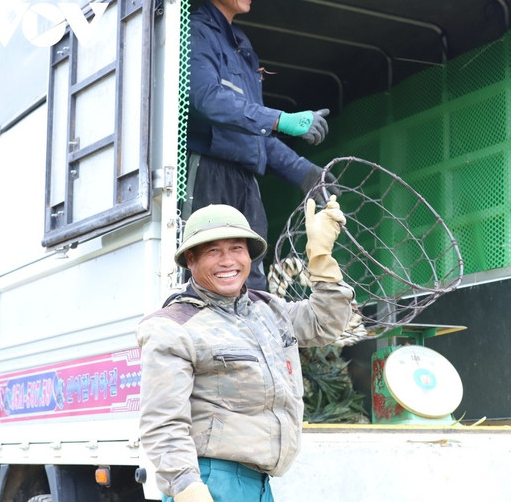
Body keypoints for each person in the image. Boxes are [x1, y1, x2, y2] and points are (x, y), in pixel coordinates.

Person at [137, 197, 354, 502]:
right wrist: (186, 486)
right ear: (190, 259)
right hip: (211, 482)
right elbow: (163, 422)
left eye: (237, 249)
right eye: (214, 251)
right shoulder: (173, 326)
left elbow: (325, 323)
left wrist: (320, 256)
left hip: (260, 484)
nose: (228, 261)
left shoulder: (268, 309)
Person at [185, 0, 335, 291]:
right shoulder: (196, 31)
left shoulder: (242, 45)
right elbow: (205, 99)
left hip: (246, 182)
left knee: (252, 282)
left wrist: (304, 173)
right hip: (210, 175)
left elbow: (256, 131)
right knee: (213, 279)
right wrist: (282, 119)